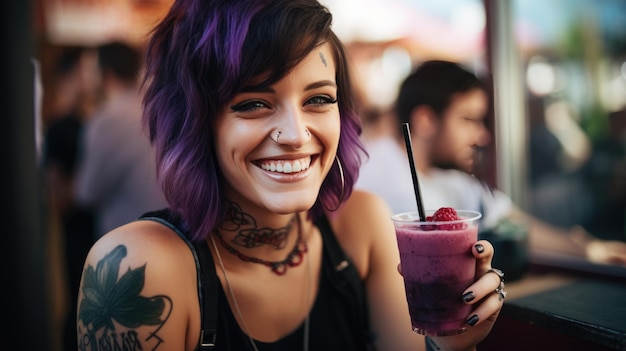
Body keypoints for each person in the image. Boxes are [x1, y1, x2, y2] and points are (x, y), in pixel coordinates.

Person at [76, 2, 504, 351]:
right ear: (196, 122)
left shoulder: (362, 225)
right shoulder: (137, 267)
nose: (297, 135)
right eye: (253, 103)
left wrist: (454, 345)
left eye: (318, 98)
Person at [356, 60, 626, 266]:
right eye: (468, 119)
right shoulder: (374, 175)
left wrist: (588, 249)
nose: (482, 136)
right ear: (425, 120)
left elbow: (510, 220)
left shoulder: (450, 178)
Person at [74, 41, 167, 239]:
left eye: (90, 70)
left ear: (105, 74)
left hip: (127, 242)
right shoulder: (158, 108)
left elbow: (87, 193)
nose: (86, 78)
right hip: (170, 235)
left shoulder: (107, 119)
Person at [41, 45, 97, 351]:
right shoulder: (59, 128)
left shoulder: (95, 121)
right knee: (81, 306)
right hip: (78, 235)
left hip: (102, 228)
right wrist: (94, 176)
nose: (94, 75)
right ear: (72, 76)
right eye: (87, 69)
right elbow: (58, 198)